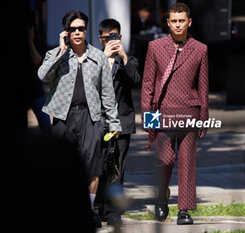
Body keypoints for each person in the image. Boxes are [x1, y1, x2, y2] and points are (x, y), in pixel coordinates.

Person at [37, 10, 121, 228]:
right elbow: (42, 76)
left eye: (81, 28)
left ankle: (90, 210)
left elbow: (107, 93)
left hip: (91, 116)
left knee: (93, 166)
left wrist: (113, 122)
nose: (77, 32)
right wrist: (61, 52)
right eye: (72, 29)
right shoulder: (55, 54)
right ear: (66, 32)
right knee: (61, 164)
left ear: (86, 30)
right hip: (63, 116)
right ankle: (62, 209)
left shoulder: (98, 56)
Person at [141, 2, 209, 225]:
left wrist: (203, 119)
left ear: (189, 22)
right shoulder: (155, 47)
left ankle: (185, 211)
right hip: (162, 113)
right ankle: (161, 197)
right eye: (174, 21)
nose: (178, 25)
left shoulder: (200, 49)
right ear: (168, 22)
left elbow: (203, 87)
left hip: (189, 111)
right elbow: (148, 84)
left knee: (188, 162)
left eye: (182, 21)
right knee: (164, 159)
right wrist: (147, 116)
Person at [96, 18, 141, 225]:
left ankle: (114, 212)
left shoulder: (129, 61)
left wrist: (122, 56)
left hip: (122, 121)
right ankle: (98, 207)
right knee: (99, 167)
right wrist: (104, 59)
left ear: (120, 37)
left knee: (117, 168)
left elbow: (135, 81)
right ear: (100, 39)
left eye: (114, 37)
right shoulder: (94, 60)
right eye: (106, 38)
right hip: (99, 121)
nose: (110, 41)